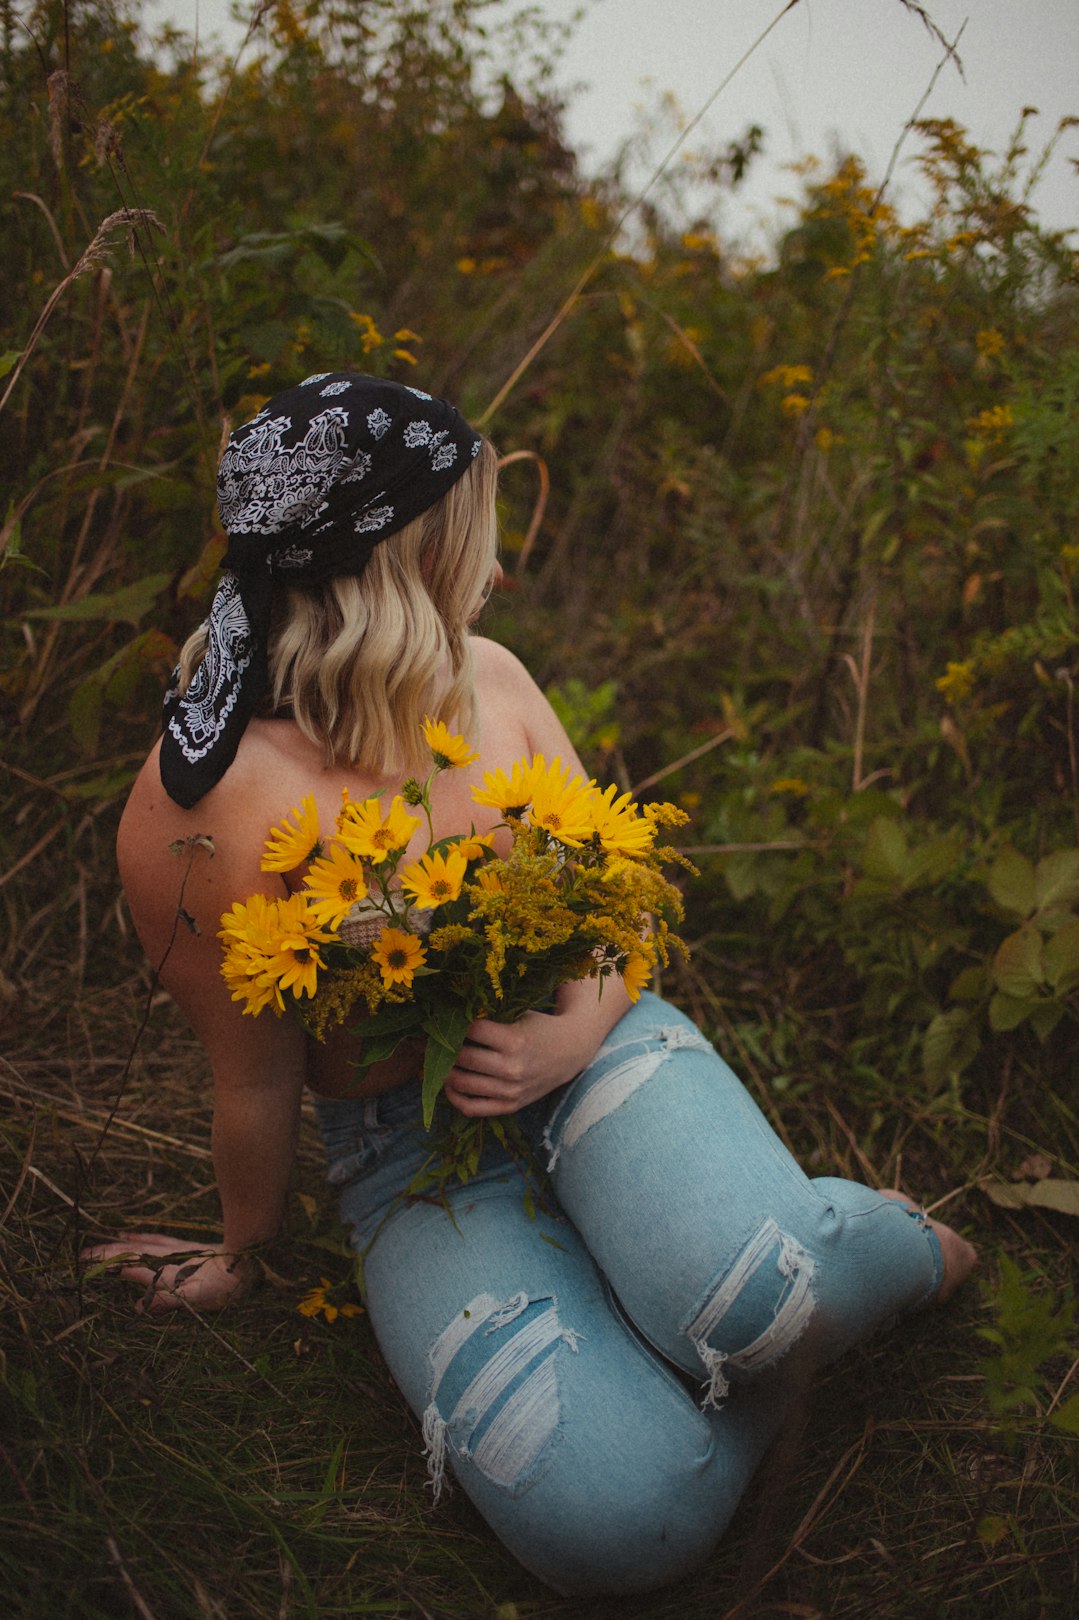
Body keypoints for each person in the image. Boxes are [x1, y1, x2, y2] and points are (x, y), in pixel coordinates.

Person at [90, 372, 976, 1597]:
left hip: (591, 1049)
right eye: (468, 546)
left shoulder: (492, 681)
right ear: (389, 565)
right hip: (404, 1155)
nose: (495, 582)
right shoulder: (198, 811)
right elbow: (254, 1082)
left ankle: (907, 1255)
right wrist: (246, 1254)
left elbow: (615, 904)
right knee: (620, 1530)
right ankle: (762, 1358)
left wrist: (576, 1037)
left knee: (773, 1295)